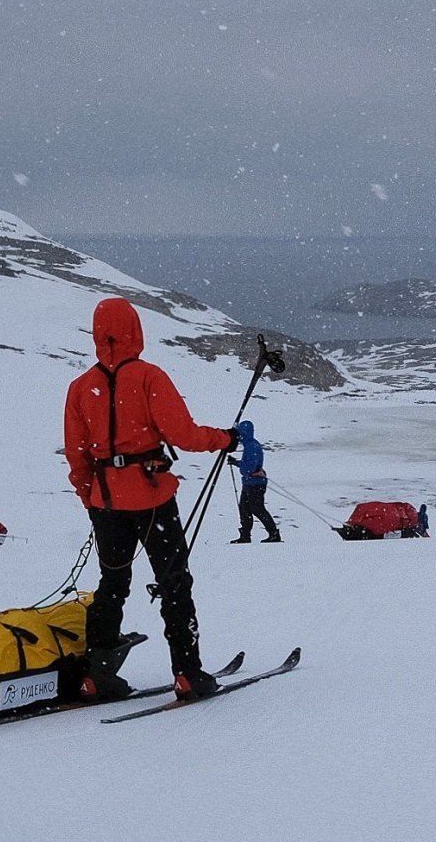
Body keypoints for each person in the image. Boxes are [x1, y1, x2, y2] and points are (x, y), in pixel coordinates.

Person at [63, 297, 236, 702]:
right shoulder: (148, 377)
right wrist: (225, 439)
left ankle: (97, 676)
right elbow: (184, 435)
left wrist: (89, 496)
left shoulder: (79, 388)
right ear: (135, 331)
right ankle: (187, 675)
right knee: (174, 582)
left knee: (113, 583)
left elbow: (77, 455)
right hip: (152, 497)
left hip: (105, 504)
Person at [228, 420, 280, 544]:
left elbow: (250, 467)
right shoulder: (250, 445)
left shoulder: (252, 446)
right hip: (250, 482)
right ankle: (246, 535)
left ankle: (273, 534)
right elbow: (249, 467)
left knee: (257, 508)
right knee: (245, 508)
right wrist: (236, 463)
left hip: (255, 483)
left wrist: (241, 467)